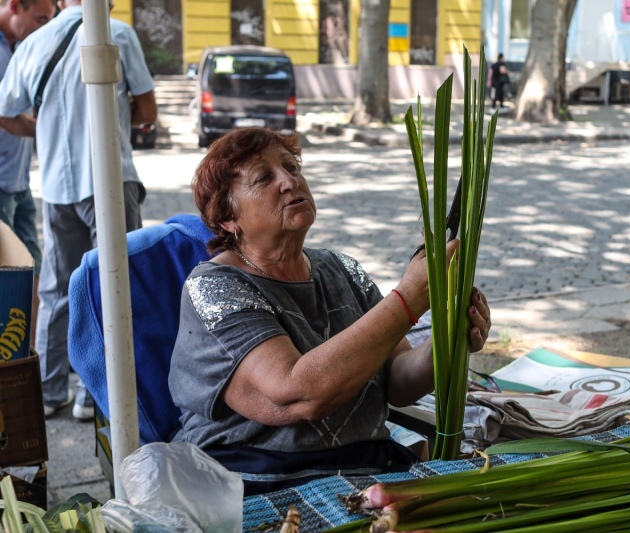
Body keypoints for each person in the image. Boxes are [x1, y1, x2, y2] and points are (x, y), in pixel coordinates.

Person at [169, 127, 492, 495]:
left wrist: (447, 342)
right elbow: (300, 393)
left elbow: (396, 382)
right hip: (256, 483)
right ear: (228, 217)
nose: (289, 181)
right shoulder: (215, 286)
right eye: (263, 177)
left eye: (292, 167)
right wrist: (408, 299)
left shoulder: (341, 269)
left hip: (364, 472)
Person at [0, 0, 157, 420]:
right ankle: (96, 396)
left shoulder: (34, 41)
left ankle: (49, 392)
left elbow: (5, 113)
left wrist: (47, 130)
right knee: (117, 286)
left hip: (56, 185)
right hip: (107, 178)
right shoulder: (115, 32)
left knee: (55, 290)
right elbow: (148, 110)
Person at [0, 0, 56, 350]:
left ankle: (25, 356)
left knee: (31, 271)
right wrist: (50, 126)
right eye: (40, 20)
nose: (43, 28)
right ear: (15, 7)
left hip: (18, 182)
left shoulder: (21, 46)